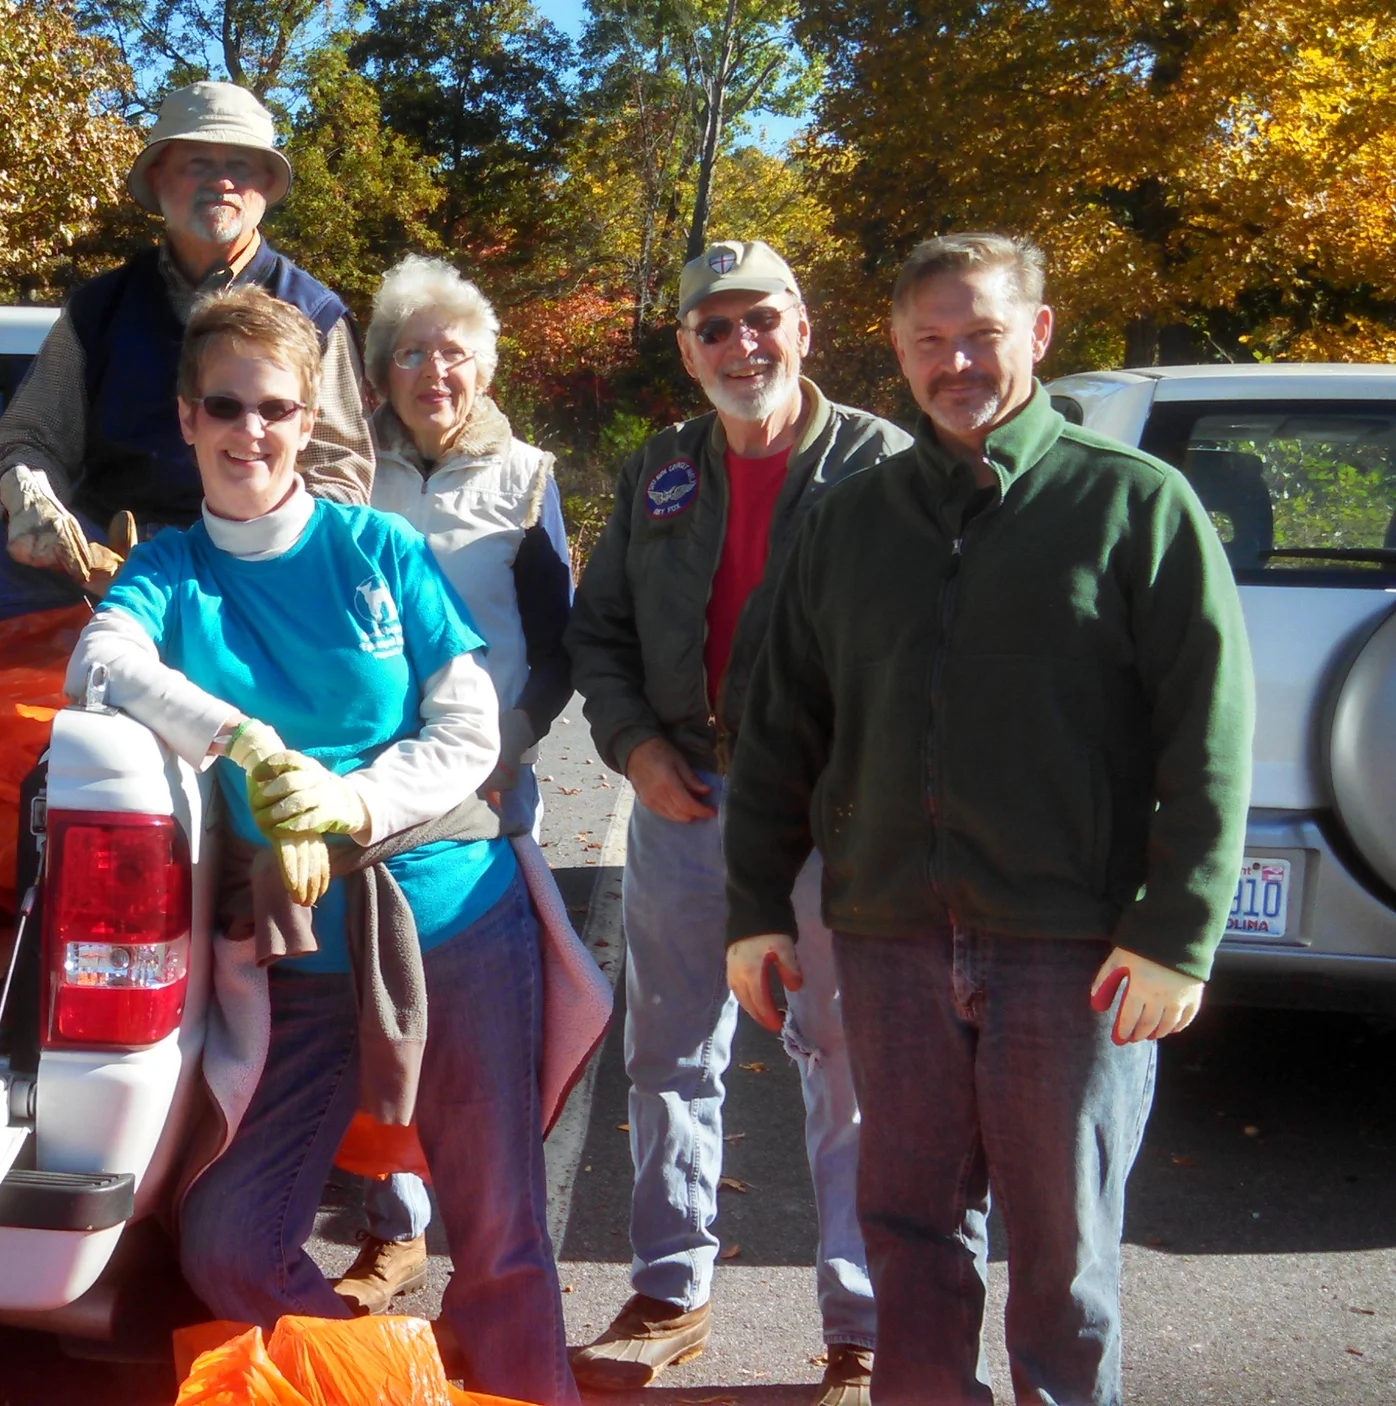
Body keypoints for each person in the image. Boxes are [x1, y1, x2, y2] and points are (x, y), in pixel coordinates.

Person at [723, 233, 1252, 1405]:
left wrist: (1178, 930)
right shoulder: (849, 524)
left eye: (982, 335)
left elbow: (1208, 735)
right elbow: (778, 730)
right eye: (929, 342)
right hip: (889, 937)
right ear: (899, 351)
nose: (956, 361)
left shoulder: (1133, 505)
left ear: (1040, 335)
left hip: (1070, 953)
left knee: (1064, 1262)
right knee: (907, 1236)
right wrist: (755, 907)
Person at [67, 286, 574, 1404]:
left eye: (276, 409)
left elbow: (468, 725)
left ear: (309, 423)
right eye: (226, 406)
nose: (251, 430)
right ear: (188, 418)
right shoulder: (167, 572)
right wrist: (246, 742)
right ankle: (391, 1382)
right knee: (230, 1243)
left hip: (451, 918)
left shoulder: (377, 547)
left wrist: (343, 803)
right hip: (297, 963)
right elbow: (97, 665)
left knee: (497, 1236)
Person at [565, 241, 909, 1402]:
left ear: (802, 325)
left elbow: (923, 649)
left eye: (758, 319)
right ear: (685, 349)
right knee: (666, 1056)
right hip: (683, 803)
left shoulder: (880, 461)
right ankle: (669, 1289)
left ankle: (863, 1323)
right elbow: (599, 630)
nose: (739, 346)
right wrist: (635, 746)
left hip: (824, 813)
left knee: (846, 1066)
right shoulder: (658, 467)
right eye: (712, 328)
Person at [0, 79, 373, 792]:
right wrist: (27, 493)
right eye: (199, 162)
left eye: (242, 166)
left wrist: (233, 543)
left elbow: (344, 473)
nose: (222, 181)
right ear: (158, 178)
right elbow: (29, 436)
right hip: (90, 557)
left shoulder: (311, 312)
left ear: (266, 188)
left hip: (239, 568)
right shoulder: (99, 310)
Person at [330, 253, 577, 1315]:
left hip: (480, 800)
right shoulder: (346, 471)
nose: (436, 368)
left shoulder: (525, 475)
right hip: (367, 794)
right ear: (380, 373)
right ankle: (393, 1227)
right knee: (373, 1021)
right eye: (413, 352)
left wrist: (515, 735)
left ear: (484, 365)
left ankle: (494, 1268)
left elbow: (562, 640)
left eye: (455, 350)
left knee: (481, 1037)